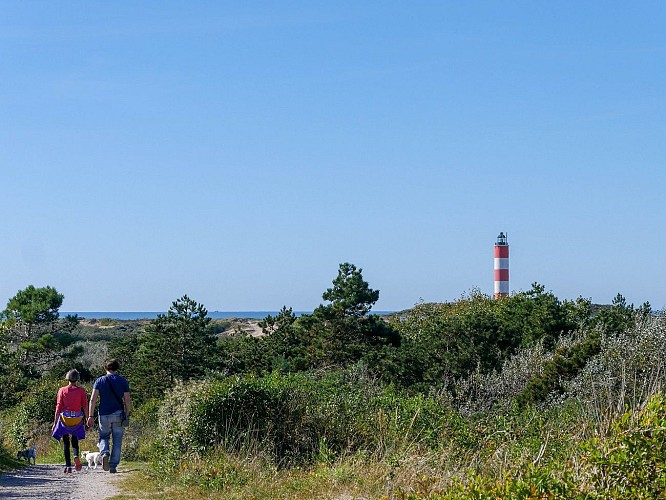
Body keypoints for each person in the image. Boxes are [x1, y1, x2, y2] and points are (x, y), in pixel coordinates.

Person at [87, 359, 131, 473]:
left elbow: (93, 399)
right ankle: (113, 466)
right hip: (118, 414)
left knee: (103, 437)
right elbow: (127, 399)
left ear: (105, 368)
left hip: (104, 414)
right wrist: (127, 412)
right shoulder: (123, 381)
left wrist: (90, 416)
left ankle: (105, 452)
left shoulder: (99, 381)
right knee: (117, 440)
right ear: (117, 368)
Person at [52, 369, 89, 474]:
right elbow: (85, 406)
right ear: (77, 378)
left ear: (67, 378)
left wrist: (55, 423)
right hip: (77, 418)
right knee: (75, 440)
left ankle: (68, 466)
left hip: (65, 419)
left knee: (66, 442)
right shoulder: (81, 390)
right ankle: (76, 455)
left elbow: (58, 407)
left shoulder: (62, 390)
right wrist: (87, 418)